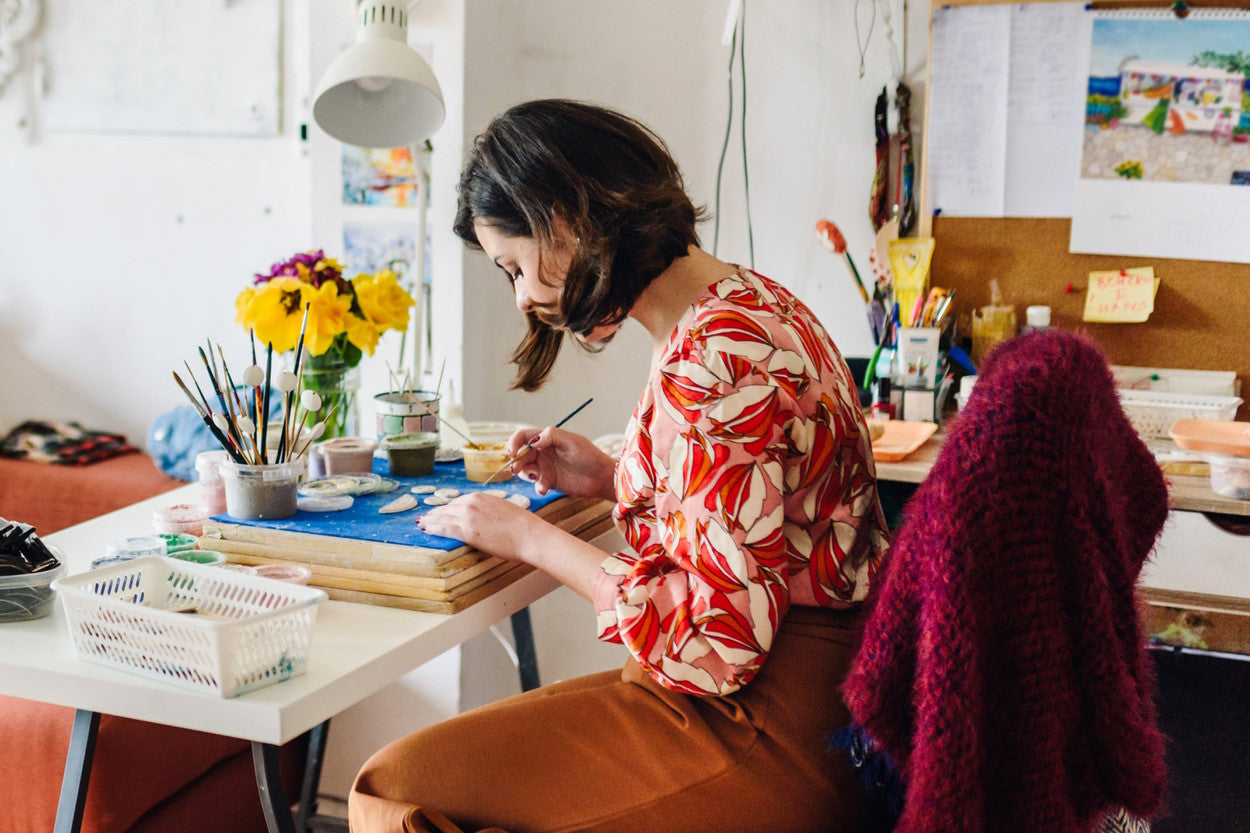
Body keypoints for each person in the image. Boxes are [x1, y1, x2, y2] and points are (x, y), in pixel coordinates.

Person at [349, 99, 891, 833]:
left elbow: (717, 646)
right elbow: (762, 506)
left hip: (763, 724)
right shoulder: (754, 304)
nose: (524, 297)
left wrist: (534, 539)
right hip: (825, 696)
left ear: (566, 219)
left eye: (515, 266)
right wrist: (613, 478)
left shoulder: (711, 363)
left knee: (389, 791)